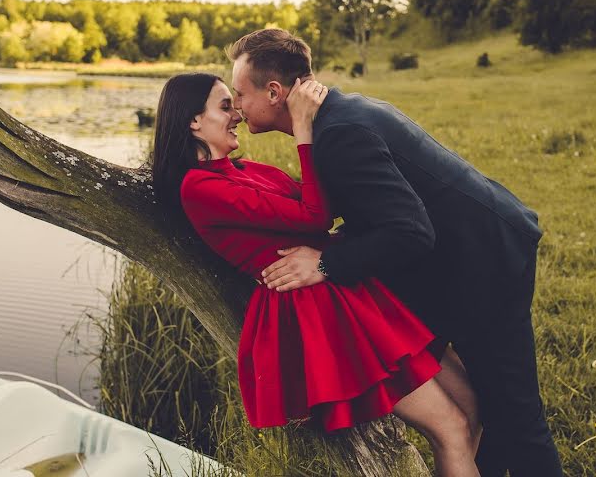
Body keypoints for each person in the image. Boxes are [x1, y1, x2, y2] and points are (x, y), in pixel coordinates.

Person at [229, 29, 563, 477]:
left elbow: (409, 232)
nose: (236, 106)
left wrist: (325, 264)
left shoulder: (341, 135)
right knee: (492, 404)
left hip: (486, 261)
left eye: (239, 94)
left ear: (274, 92)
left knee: (518, 417)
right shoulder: (335, 118)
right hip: (453, 261)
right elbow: (378, 216)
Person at [151, 72, 482, 477]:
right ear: (193, 122)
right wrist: (303, 131)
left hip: (342, 286)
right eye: (225, 106)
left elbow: (319, 200)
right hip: (322, 312)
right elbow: (314, 215)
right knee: (452, 426)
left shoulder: (246, 171)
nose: (237, 112)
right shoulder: (199, 187)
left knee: (469, 405)